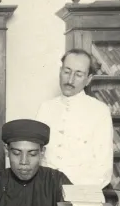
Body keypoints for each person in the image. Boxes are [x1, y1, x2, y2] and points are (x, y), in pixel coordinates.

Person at [35, 49, 114, 189]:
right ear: (60, 71)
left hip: (82, 195)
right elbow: (37, 157)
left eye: (78, 74)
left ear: (88, 79)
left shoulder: (100, 112)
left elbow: (103, 170)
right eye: (67, 71)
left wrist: (70, 192)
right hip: (45, 192)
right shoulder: (45, 108)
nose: (70, 80)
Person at [0, 119, 71, 206]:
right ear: (7, 151)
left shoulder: (58, 182)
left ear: (42, 153)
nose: (24, 162)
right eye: (16, 153)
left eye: (32, 154)